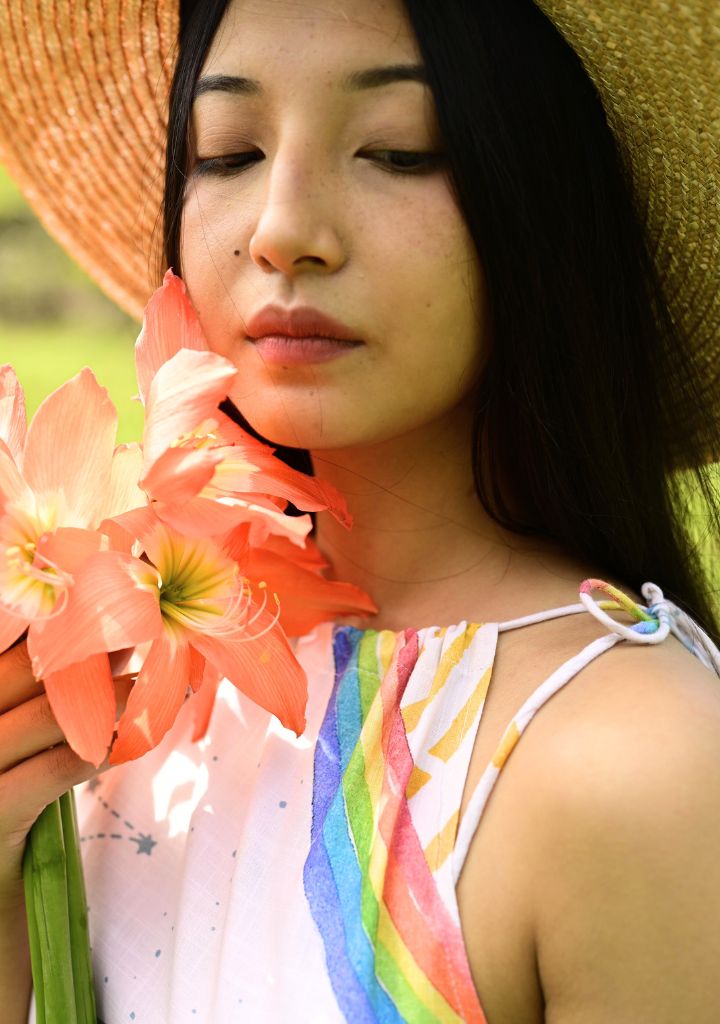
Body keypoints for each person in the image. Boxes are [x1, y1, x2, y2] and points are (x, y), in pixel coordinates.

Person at [0, 0, 719, 1020]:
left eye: (397, 150)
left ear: (546, 197)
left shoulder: (633, 766)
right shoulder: (106, 681)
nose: (284, 229)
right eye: (230, 151)